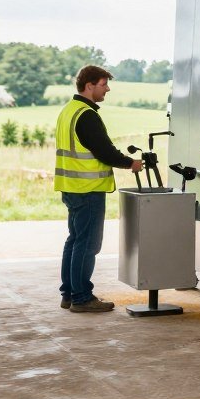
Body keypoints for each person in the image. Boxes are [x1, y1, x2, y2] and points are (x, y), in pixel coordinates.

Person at [54, 65, 143, 313]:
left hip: (71, 187)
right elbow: (104, 151)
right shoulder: (86, 114)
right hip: (88, 188)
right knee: (88, 244)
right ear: (89, 85)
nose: (107, 89)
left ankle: (69, 294)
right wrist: (131, 163)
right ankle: (82, 298)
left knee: (75, 240)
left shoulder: (68, 111)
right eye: (104, 84)